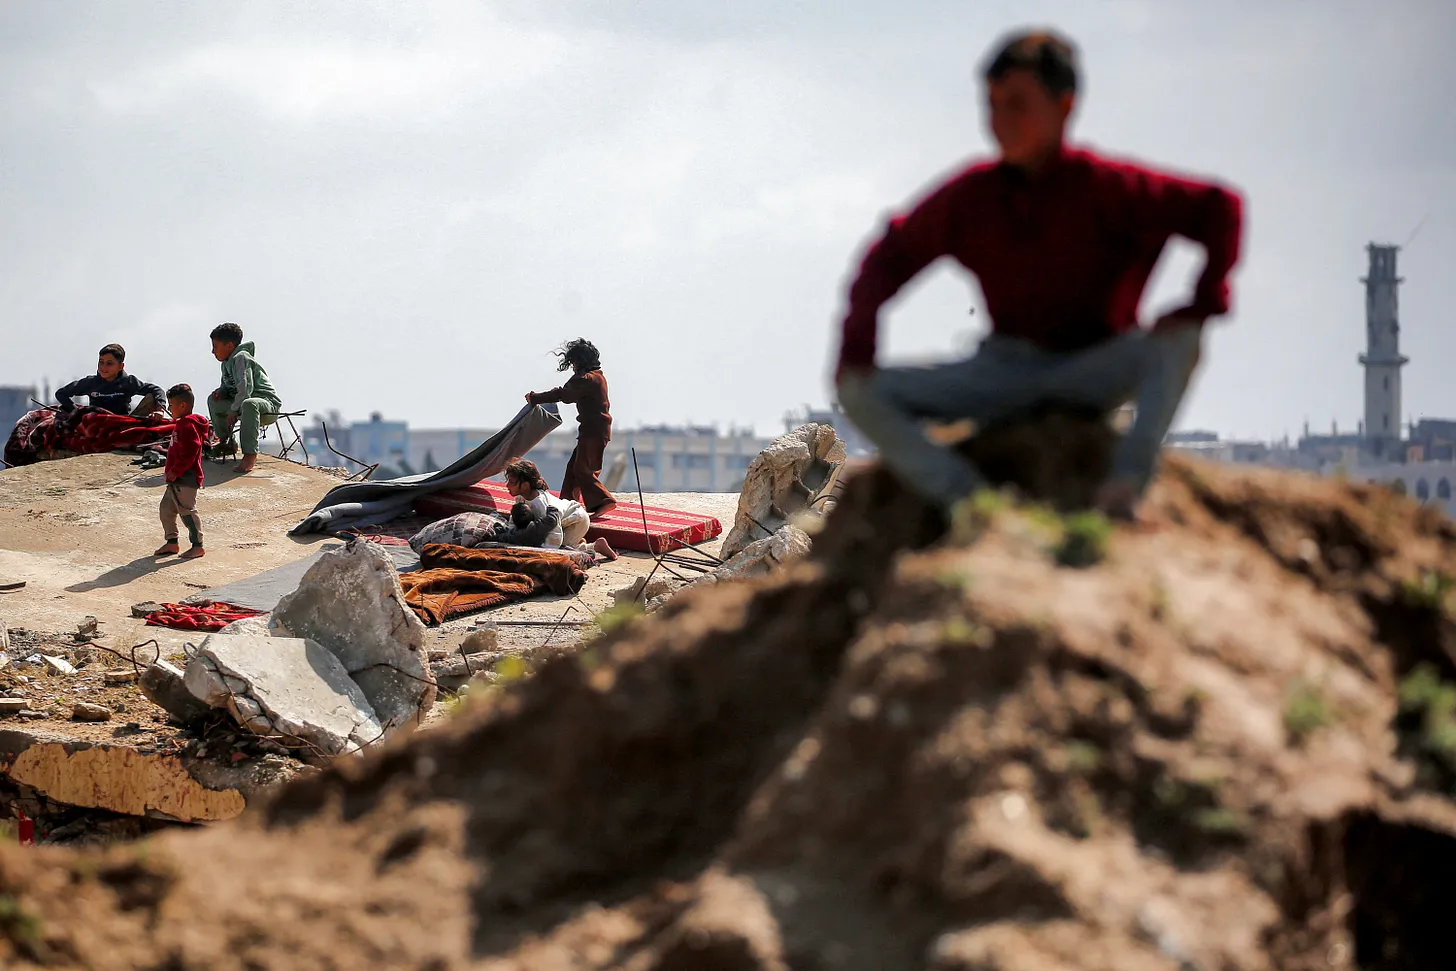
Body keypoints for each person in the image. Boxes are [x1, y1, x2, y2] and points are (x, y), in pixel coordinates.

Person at [833, 29, 1243, 522]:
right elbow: (889, 256)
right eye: (993, 105)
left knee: (1181, 341)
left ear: (1064, 106)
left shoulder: (1110, 188)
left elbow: (1220, 208)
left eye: (1018, 105)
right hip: (1003, 372)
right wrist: (858, 339)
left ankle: (1124, 489)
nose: (1000, 122)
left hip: (1093, 369)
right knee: (859, 389)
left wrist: (1200, 300)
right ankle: (971, 502)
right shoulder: (972, 196)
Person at [525, 339, 618, 516]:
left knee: (583, 469)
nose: (573, 367)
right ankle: (568, 505)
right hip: (593, 430)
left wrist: (535, 398)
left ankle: (604, 501)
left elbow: (565, 395)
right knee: (573, 469)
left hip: (594, 430)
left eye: (574, 363)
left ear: (580, 361)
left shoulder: (588, 379)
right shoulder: (597, 376)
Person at [503, 458, 618, 560]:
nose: (507, 485)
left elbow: (554, 535)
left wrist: (541, 551)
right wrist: (510, 535)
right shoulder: (521, 497)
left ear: (525, 486)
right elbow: (515, 519)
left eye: (512, 482)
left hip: (577, 520)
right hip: (563, 521)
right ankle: (577, 541)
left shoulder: (540, 504)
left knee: (563, 550)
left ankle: (595, 546)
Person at [207, 322, 282, 475]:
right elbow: (229, 386)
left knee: (249, 403)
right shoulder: (226, 364)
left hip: (266, 404)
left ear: (228, 345)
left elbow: (245, 388)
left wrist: (234, 410)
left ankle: (250, 455)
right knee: (213, 401)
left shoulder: (241, 358)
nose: (212, 351)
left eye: (215, 347)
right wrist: (221, 392)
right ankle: (227, 443)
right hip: (243, 403)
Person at [155, 383, 211, 560]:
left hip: (185, 478)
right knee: (166, 509)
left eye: (171, 405)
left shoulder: (188, 426)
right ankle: (172, 542)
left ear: (182, 406)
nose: (169, 409)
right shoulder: (182, 424)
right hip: (176, 479)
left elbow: (191, 451)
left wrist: (176, 470)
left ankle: (198, 545)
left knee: (187, 512)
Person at [55, 344, 166, 416]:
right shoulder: (91, 382)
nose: (103, 367)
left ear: (120, 366)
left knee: (151, 397)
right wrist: (77, 412)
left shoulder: (128, 382)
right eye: (101, 362)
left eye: (109, 363)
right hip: (97, 422)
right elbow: (61, 394)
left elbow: (157, 390)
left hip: (123, 423)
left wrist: (160, 410)